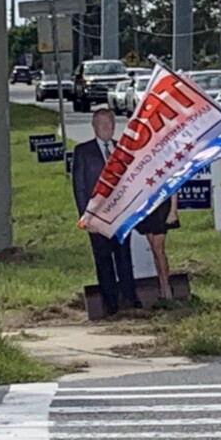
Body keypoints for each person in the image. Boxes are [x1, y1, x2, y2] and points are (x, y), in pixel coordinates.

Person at [71, 108, 141, 316]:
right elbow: (79, 186)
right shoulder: (83, 152)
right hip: (97, 217)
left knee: (124, 257)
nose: (106, 129)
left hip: (120, 217)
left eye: (109, 124)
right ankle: (110, 302)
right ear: (94, 127)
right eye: (101, 125)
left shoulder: (122, 150)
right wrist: (86, 217)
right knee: (103, 260)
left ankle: (129, 297)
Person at [135, 193, 179, 300]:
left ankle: (166, 285)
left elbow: (173, 187)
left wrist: (173, 210)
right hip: (147, 206)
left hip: (162, 205)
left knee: (158, 248)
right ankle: (161, 284)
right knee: (154, 250)